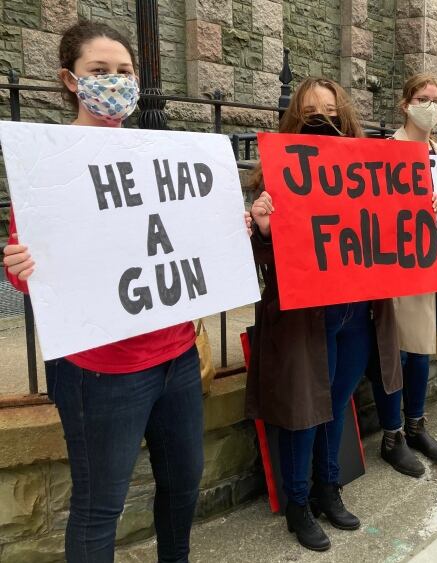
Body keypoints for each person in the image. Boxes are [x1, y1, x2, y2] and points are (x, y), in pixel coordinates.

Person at [0, 22, 238, 562]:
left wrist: (230, 227)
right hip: (99, 371)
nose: (115, 82)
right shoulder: (50, 163)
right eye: (99, 72)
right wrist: (20, 267)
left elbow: (187, 232)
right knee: (99, 505)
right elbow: (31, 267)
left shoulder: (162, 152)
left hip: (176, 355)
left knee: (183, 486)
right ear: (69, 80)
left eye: (124, 72)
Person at [244, 78, 404, 552]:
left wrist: (419, 210)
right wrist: (265, 230)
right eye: (311, 110)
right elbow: (258, 262)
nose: (322, 118)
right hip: (303, 316)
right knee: (303, 412)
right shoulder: (273, 179)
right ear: (296, 117)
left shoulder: (365, 169)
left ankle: (327, 489)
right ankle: (298, 503)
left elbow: (386, 229)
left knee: (335, 405)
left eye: (331, 110)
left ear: (345, 116)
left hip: (355, 311)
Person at [369, 73, 437, 477]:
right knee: (397, 352)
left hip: (436, 263)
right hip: (398, 265)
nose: (431, 105)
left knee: (422, 348)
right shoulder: (387, 151)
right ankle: (392, 436)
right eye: (423, 98)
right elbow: (371, 208)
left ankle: (415, 425)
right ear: (405, 104)